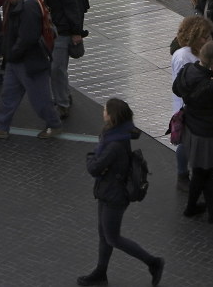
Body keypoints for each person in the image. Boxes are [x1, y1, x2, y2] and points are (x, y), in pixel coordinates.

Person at [79, 98, 164, 287]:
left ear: (112, 116)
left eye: (105, 110)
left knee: (112, 237)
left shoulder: (113, 143)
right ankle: (100, 273)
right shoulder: (118, 134)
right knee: (104, 235)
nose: (103, 112)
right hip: (108, 191)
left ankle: (153, 262)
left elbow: (94, 167)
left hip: (114, 196)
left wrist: (91, 155)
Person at [0, 0, 62, 139]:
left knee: (40, 99)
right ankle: (1, 126)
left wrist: (12, 53)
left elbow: (28, 37)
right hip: (17, 59)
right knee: (9, 95)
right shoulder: (18, 1)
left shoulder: (28, 5)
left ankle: (54, 124)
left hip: (28, 62)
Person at [172, 41, 213, 224]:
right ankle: (199, 209)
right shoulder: (212, 85)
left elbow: (176, 89)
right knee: (205, 172)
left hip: (191, 127)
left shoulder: (187, 70)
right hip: (207, 132)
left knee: (202, 171)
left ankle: (202, 208)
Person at [35, 0, 86, 119]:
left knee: (57, 68)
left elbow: (72, 7)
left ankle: (62, 103)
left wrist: (76, 32)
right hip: (53, 28)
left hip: (62, 31)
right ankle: (63, 97)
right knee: (58, 67)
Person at [170, 16, 213, 192]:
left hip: (201, 103)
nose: (209, 40)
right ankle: (182, 176)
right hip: (186, 105)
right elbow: (185, 83)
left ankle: (201, 176)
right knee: (185, 142)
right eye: (205, 37)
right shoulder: (183, 56)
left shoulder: (199, 53)